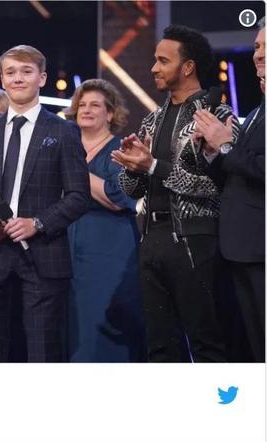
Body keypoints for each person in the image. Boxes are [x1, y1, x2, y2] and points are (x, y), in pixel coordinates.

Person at [0, 45, 91, 362]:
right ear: (2, 78)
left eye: (26, 72)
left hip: (42, 253)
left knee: (43, 352)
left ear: (42, 78)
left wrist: (37, 223)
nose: (18, 78)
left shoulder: (64, 131)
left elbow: (79, 196)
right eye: (11, 72)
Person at [112, 25, 239, 362]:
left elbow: (215, 187)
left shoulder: (219, 117)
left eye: (163, 61)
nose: (154, 67)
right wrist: (132, 167)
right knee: (160, 345)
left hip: (197, 240)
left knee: (207, 343)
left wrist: (153, 165)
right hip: (151, 239)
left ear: (188, 67)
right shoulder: (152, 119)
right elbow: (132, 190)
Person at [194, 18, 265, 362]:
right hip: (241, 248)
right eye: (257, 47)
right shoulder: (255, 114)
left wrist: (226, 146)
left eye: (266, 48)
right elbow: (236, 176)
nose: (258, 56)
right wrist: (213, 151)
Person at [67, 79, 145, 362]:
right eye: (82, 105)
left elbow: (119, 198)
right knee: (72, 326)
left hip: (109, 249)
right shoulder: (67, 146)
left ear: (110, 113)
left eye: (95, 105)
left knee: (101, 326)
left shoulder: (120, 151)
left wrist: (73, 169)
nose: (86, 110)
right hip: (67, 250)